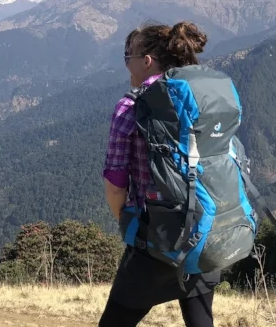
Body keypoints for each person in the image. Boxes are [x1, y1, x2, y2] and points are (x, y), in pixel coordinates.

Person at [99, 20, 219, 327]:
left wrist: (126, 223)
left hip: (156, 239)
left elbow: (115, 183)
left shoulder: (131, 106)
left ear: (147, 61)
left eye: (128, 56)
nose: (126, 64)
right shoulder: (200, 98)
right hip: (206, 229)